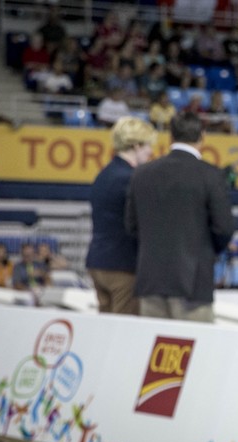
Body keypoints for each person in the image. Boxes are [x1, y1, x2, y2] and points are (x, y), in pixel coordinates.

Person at [125, 112, 235, 322]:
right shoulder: (211, 175)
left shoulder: (141, 173)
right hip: (193, 284)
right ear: (202, 136)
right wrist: (206, 253)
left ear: (170, 137)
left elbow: (131, 227)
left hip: (151, 282)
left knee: (153, 353)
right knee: (197, 352)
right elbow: (224, 228)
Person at [86, 116, 156, 315]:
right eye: (147, 146)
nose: (151, 152)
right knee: (126, 332)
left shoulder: (104, 174)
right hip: (123, 266)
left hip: (98, 262)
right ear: (135, 145)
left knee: (107, 329)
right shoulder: (132, 178)